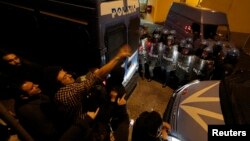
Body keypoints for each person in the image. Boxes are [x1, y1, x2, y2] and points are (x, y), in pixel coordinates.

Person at [42, 44, 131, 126]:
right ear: (58, 86)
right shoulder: (66, 94)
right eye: (65, 77)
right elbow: (96, 77)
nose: (69, 75)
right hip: (83, 124)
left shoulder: (67, 87)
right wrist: (118, 57)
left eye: (66, 73)